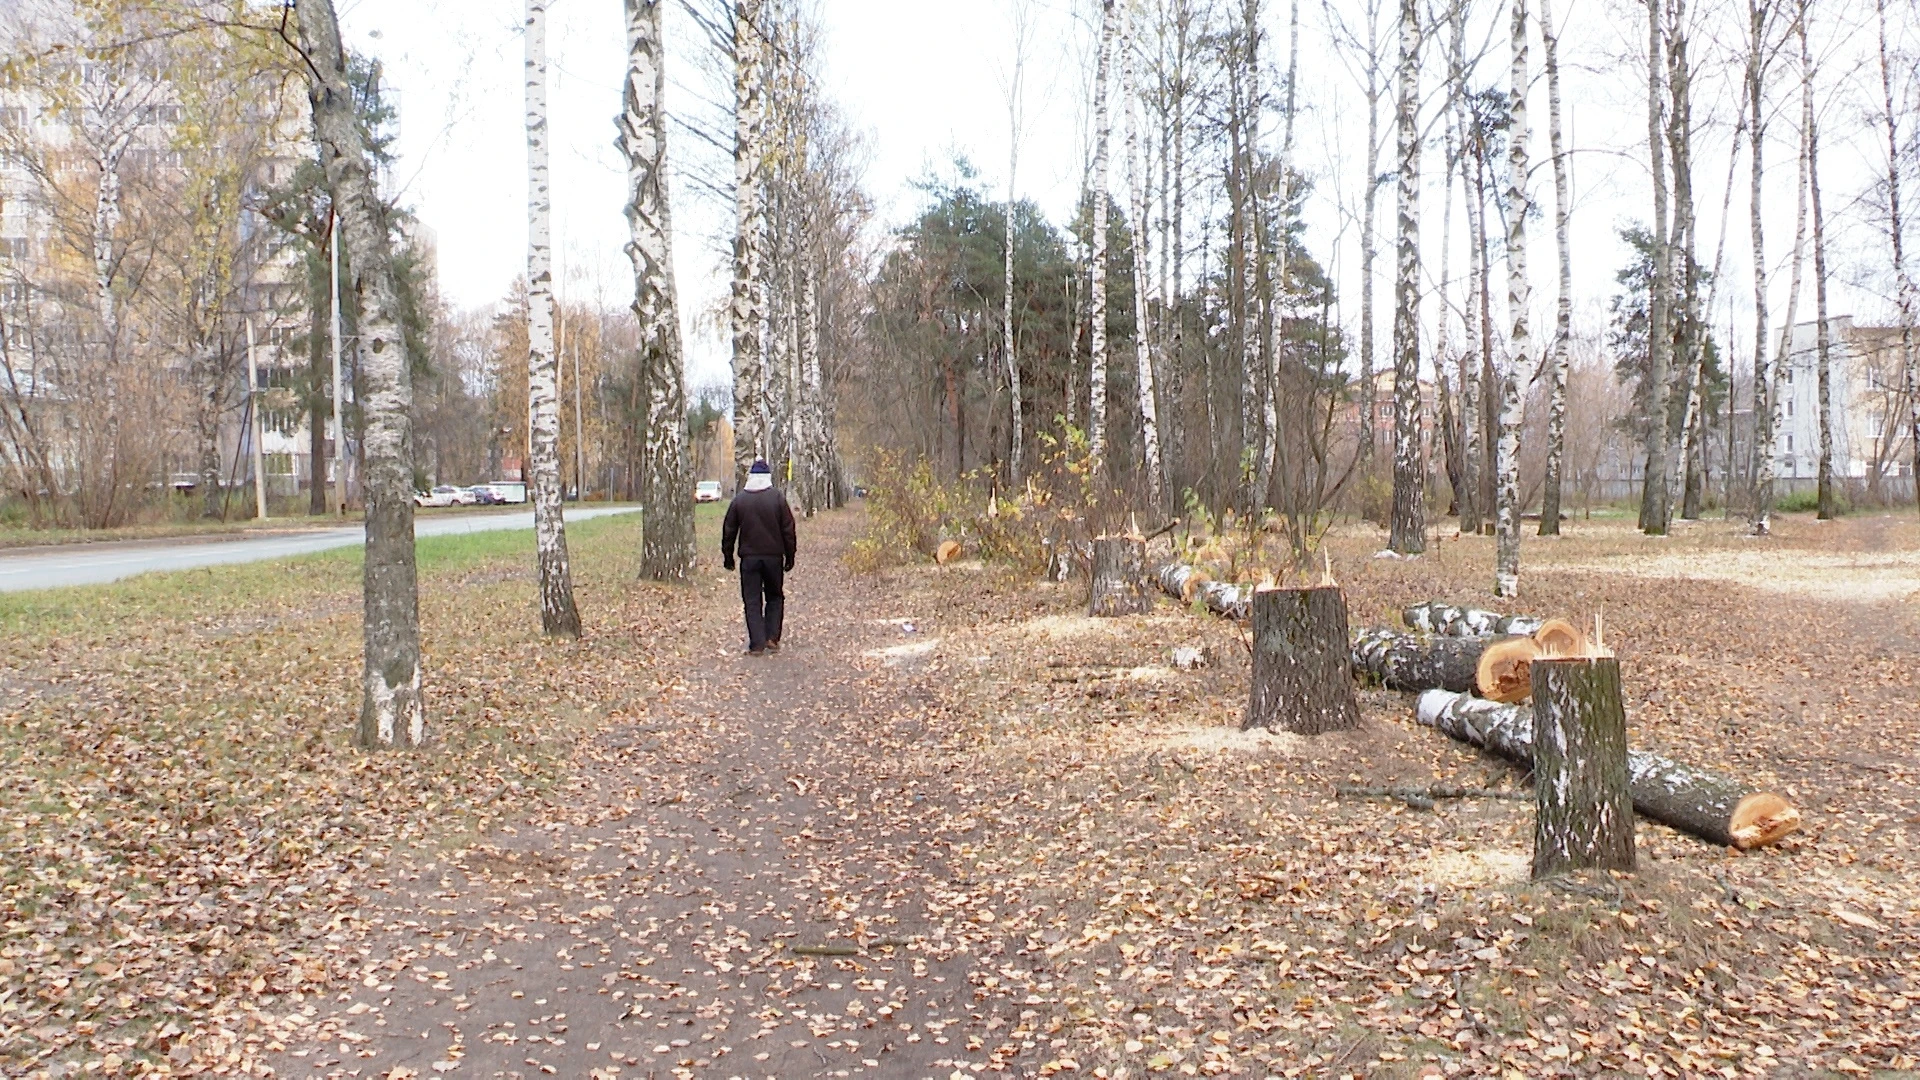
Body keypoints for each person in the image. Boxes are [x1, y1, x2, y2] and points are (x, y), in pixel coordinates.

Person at [720, 458, 797, 656]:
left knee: (752, 600)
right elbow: (788, 530)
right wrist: (790, 556)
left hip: (749, 559)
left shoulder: (740, 500)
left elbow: (729, 530)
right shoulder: (777, 498)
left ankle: (756, 643)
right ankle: (772, 637)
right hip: (773, 558)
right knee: (775, 596)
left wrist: (728, 557)